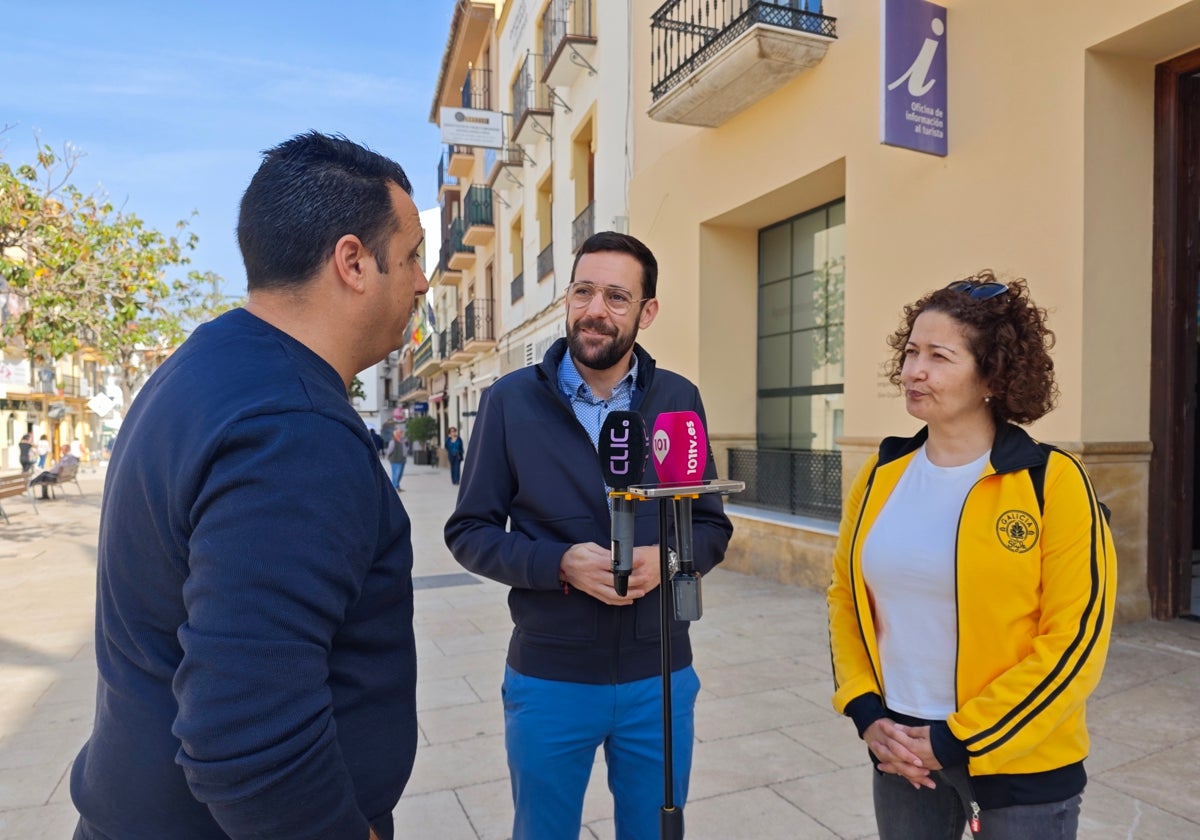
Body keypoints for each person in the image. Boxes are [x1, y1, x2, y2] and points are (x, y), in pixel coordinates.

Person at [70, 131, 428, 840]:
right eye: (413, 254)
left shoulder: (204, 369)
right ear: (353, 262)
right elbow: (245, 728)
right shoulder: (293, 427)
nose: (422, 281)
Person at [445, 231, 733, 840]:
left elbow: (710, 526)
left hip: (659, 674)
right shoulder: (508, 401)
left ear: (646, 312)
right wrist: (558, 564)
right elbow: (469, 531)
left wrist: (670, 557)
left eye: (616, 297)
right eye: (583, 291)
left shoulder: (679, 399)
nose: (595, 309)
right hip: (550, 678)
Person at [827, 272, 1116, 840]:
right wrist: (864, 709)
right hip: (902, 750)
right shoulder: (881, 475)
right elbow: (845, 597)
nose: (914, 370)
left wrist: (958, 739)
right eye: (910, 352)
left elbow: (1075, 640)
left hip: (1019, 765)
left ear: (992, 374)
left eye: (939, 355)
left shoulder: (1051, 480)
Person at [385, 426, 407, 491]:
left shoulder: (403, 440)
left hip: (402, 460)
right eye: (400, 432)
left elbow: (406, 449)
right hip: (395, 460)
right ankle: (393, 489)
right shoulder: (393, 441)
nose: (401, 433)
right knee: (396, 474)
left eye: (402, 432)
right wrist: (387, 456)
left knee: (400, 474)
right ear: (396, 433)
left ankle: (397, 486)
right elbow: (389, 450)